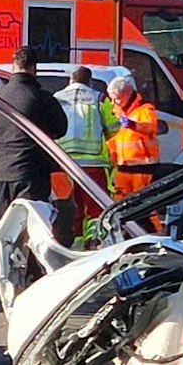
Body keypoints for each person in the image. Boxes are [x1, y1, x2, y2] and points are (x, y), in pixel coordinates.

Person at [0, 46, 68, 228]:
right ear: (34, 68)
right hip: (30, 173)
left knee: (3, 228)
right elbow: (61, 128)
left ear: (14, 66)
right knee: (30, 227)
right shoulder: (42, 98)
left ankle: (0, 249)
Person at [54, 67, 115, 242]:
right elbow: (114, 129)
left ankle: (75, 243)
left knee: (72, 208)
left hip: (64, 164)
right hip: (94, 164)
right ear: (89, 82)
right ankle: (95, 242)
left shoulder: (57, 98)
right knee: (97, 209)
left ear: (71, 81)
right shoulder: (99, 98)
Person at [105, 73, 163, 229]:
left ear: (126, 94)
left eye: (116, 98)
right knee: (119, 205)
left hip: (142, 167)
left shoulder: (145, 109)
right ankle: (124, 232)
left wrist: (132, 125)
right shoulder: (116, 111)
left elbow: (151, 128)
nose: (113, 102)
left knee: (144, 205)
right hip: (122, 167)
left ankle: (155, 233)